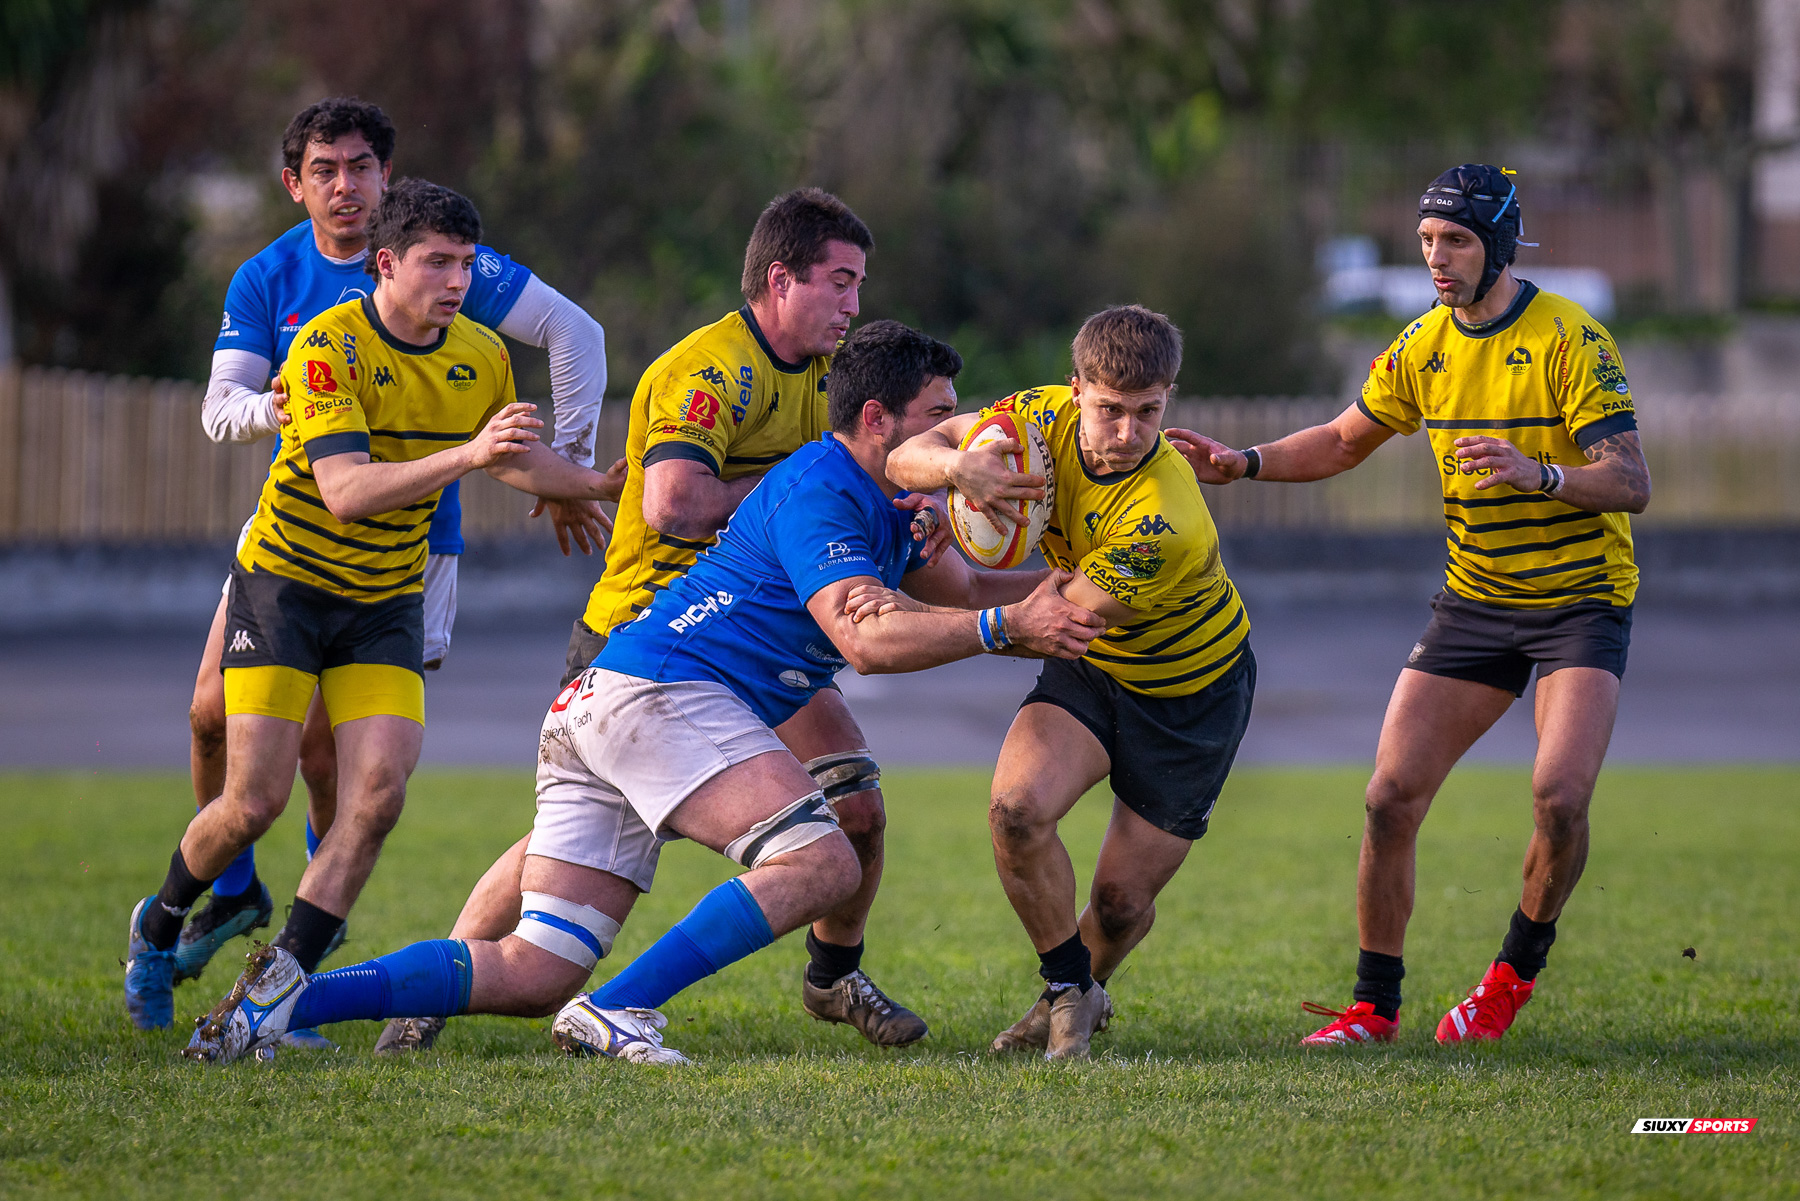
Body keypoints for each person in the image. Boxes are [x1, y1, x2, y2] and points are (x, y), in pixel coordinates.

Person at [181, 320, 1105, 1067]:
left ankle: (283, 997)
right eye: (938, 420)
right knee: (821, 862)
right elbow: (868, 638)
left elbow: (968, 593)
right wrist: (1006, 628)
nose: (952, 439)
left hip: (610, 702)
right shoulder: (823, 487)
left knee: (534, 969)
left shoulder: (893, 506)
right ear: (877, 420)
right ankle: (619, 1007)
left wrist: (1082, 587)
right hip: (662, 696)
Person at [373, 188, 946, 1056]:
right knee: (561, 845)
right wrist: (802, 491)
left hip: (749, 637)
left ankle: (833, 975)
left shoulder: (835, 380)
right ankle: (434, 991)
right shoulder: (710, 369)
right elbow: (673, 504)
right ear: (780, 280)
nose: (854, 303)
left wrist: (913, 502)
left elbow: (880, 465)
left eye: (859, 284)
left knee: (856, 802)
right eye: (840, 281)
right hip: (649, 633)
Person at [124, 179, 620, 1031]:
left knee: (379, 794)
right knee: (252, 802)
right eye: (437, 263)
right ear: (386, 263)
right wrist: (469, 455)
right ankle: (159, 924)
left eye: (465, 264)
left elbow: (510, 458)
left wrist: (598, 483)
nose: (456, 281)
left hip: (385, 599)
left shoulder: (480, 353)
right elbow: (347, 491)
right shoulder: (327, 346)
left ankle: (275, 990)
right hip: (287, 587)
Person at [1176, 164, 1650, 1045]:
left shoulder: (1571, 338)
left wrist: (1538, 474)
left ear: (1498, 245)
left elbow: (1630, 481)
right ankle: (1374, 1008)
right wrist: (1244, 463)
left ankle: (1510, 977)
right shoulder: (1421, 346)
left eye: (1456, 241)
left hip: (1580, 602)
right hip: (1476, 601)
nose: (1437, 257)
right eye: (1428, 240)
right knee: (1389, 797)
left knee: (1558, 798)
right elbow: (1341, 439)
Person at [886, 305, 1256, 1060]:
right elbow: (907, 456)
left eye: (1148, 412)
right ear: (1076, 388)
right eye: (1109, 409)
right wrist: (959, 471)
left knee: (1119, 905)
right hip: (1094, 672)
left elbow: (1045, 625)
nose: (1127, 433)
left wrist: (904, 619)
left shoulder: (1165, 520)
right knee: (1016, 812)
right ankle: (1067, 990)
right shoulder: (1037, 418)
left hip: (1191, 692)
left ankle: (1082, 986)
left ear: (1169, 398)